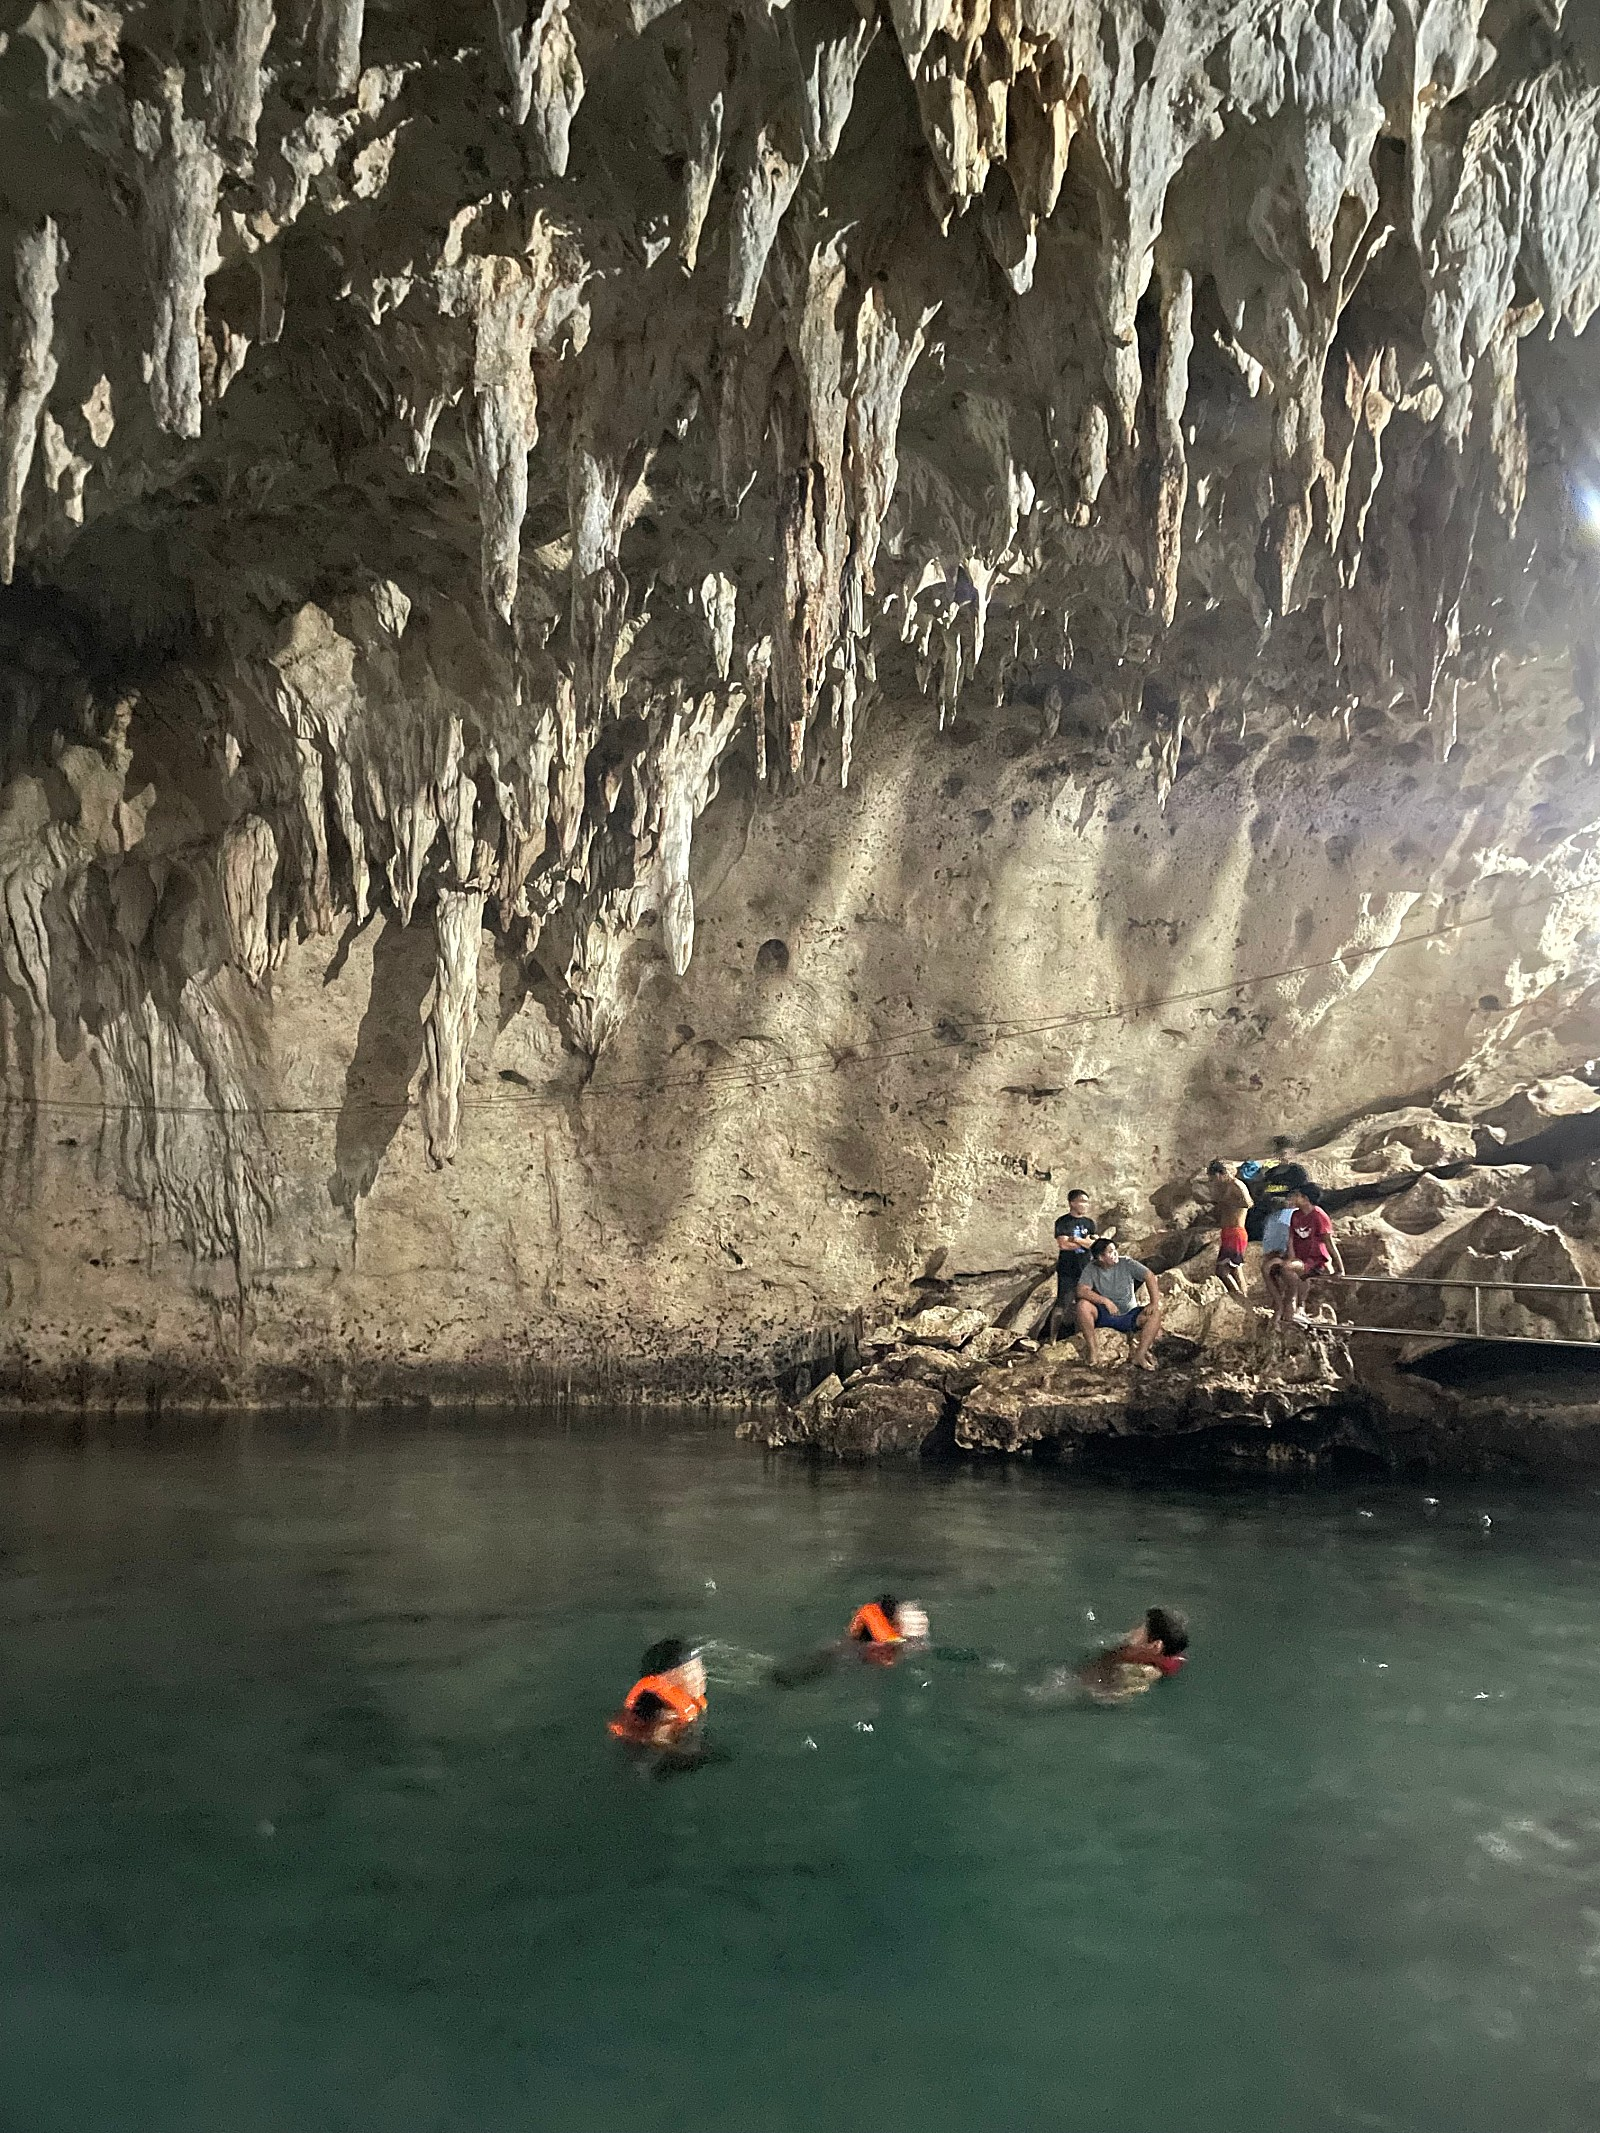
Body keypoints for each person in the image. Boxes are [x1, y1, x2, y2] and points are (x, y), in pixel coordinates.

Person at [1076, 1238, 1163, 1370]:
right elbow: (1081, 1291)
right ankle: (1093, 1352)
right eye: (1111, 1252)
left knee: (1155, 1314)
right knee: (1082, 1305)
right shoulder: (1091, 1268)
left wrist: (1154, 1302)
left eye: (1115, 1250)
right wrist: (1105, 1301)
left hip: (1129, 1314)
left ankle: (1139, 1355)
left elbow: (1149, 1276)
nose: (1115, 1253)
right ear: (1100, 1257)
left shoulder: (1126, 1263)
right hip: (1106, 1314)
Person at [1078, 1606, 1190, 1705]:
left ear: (1155, 1646)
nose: (1134, 1629)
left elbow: (1108, 1698)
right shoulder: (1148, 1648)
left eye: (1142, 1627)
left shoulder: (1138, 1673)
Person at [609, 1637, 708, 1748]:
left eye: (699, 1667)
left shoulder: (688, 1705)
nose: (700, 1677)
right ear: (663, 1678)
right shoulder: (651, 1708)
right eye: (689, 1671)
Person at [1275, 1182, 1345, 1328]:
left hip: (1315, 1260)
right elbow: (1292, 1238)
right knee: (1290, 1268)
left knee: (1288, 1268)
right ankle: (1297, 1307)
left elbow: (1329, 1243)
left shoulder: (1319, 1216)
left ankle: (1296, 1304)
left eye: (1297, 1196)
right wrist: (1292, 1257)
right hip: (1301, 1258)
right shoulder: (1295, 1215)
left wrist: (1340, 1268)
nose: (1294, 1198)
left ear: (1305, 1198)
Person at [1048, 1193, 1098, 1341]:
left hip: (1086, 1269)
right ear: (1072, 1203)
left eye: (1087, 1202)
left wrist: (1076, 1240)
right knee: (1062, 1304)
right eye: (1082, 1201)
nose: (1085, 1205)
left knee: (1083, 1303)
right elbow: (1063, 1244)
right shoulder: (1063, 1222)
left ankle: (1081, 1336)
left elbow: (1094, 1244)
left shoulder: (1089, 1223)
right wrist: (1084, 1242)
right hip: (1067, 1269)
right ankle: (1052, 1339)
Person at [1205, 1159, 1252, 1302]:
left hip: (1235, 1232)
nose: (1212, 1181)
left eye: (1213, 1178)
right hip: (1228, 1233)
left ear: (1221, 1174)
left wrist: (1227, 1202)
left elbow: (1248, 1203)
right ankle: (1242, 1298)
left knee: (1223, 1270)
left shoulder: (1236, 1185)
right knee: (1234, 1269)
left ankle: (1238, 1297)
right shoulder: (1225, 1187)